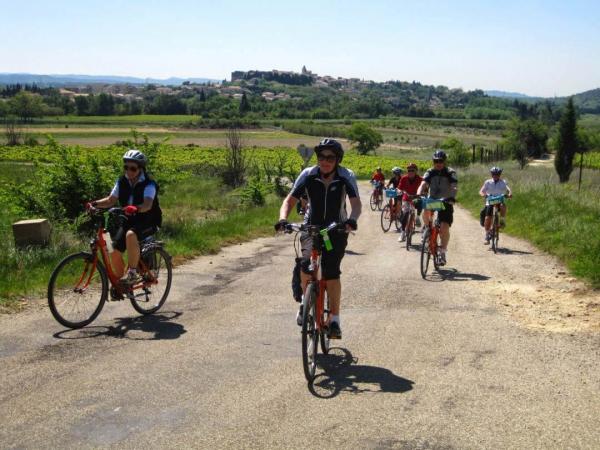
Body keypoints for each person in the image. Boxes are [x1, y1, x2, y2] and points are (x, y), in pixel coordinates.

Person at [275, 138, 361, 339]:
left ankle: (334, 320)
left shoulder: (345, 176)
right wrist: (282, 219)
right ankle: (306, 302)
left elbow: (356, 204)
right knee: (306, 264)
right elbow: (290, 200)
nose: (325, 161)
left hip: (335, 229)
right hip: (311, 227)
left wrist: (351, 220)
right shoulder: (308, 175)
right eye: (322, 156)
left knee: (331, 273)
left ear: (337, 159)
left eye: (330, 157)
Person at [87, 149, 162, 286]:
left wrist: (137, 208)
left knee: (130, 235)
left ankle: (132, 273)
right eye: (126, 167)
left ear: (140, 169)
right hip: (128, 220)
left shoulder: (149, 184)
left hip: (148, 220)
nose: (129, 171)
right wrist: (94, 204)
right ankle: (121, 284)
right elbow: (111, 200)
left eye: (133, 168)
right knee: (112, 248)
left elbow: (148, 204)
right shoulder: (121, 182)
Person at [417, 150, 457, 266]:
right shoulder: (430, 171)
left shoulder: (450, 172)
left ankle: (443, 251)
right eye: (436, 161)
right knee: (426, 210)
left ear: (444, 161)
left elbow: (454, 186)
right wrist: (418, 194)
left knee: (444, 228)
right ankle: (426, 228)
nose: (438, 163)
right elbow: (423, 184)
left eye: (440, 161)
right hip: (433, 199)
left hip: (445, 201)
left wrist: (452, 197)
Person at [479, 166, 512, 245]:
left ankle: (502, 221)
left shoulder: (503, 182)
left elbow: (508, 189)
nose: (495, 175)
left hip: (499, 200)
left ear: (500, 174)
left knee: (503, 206)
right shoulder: (488, 182)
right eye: (494, 174)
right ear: (491, 174)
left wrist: (510, 194)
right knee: (487, 219)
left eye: (497, 174)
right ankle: (487, 235)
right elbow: (481, 191)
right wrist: (483, 195)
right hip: (490, 202)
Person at [397, 163, 423, 242]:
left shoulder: (420, 179)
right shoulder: (404, 178)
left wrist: (424, 192)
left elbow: (425, 187)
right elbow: (399, 188)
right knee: (405, 214)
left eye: (412, 170)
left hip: (416, 197)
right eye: (409, 170)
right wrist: (399, 191)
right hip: (407, 198)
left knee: (420, 202)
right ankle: (403, 233)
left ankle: (418, 217)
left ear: (416, 171)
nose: (410, 172)